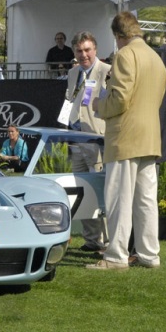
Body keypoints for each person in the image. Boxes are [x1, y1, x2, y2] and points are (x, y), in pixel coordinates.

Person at [89, 12, 166, 270]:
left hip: (125, 135)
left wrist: (100, 105)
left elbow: (120, 99)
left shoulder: (124, 55)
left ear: (119, 36)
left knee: (119, 198)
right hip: (150, 136)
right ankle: (148, 254)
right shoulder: (156, 58)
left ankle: (116, 255)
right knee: (146, 199)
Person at [64, 30, 110, 253]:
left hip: (97, 141)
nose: (84, 55)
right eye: (79, 51)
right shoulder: (73, 74)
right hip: (75, 141)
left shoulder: (106, 72)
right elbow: (70, 102)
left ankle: (108, 240)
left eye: (87, 50)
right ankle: (92, 239)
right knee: (82, 190)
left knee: (101, 191)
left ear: (96, 50)